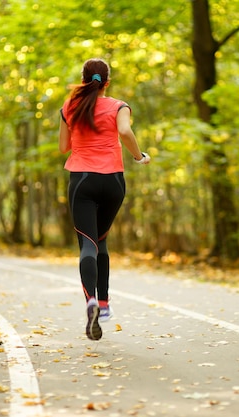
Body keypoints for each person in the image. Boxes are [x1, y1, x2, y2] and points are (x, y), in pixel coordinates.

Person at [59, 58, 150, 341]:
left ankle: (90, 301)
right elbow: (124, 131)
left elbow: (64, 147)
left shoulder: (69, 108)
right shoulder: (119, 106)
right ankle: (105, 303)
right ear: (107, 82)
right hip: (113, 181)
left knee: (88, 242)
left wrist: (83, 137)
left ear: (84, 79)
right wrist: (139, 156)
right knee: (102, 239)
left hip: (82, 180)